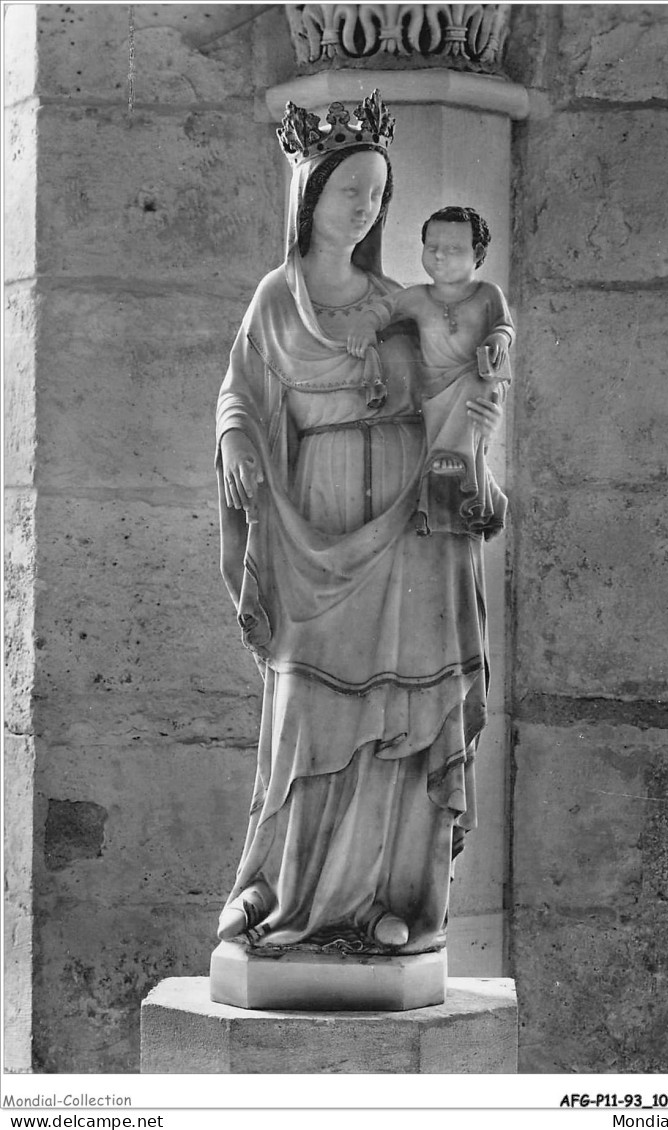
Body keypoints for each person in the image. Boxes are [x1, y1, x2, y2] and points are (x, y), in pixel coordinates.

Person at [215, 91, 507, 956]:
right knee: (308, 708)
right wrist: (235, 437)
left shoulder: (398, 302)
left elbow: (445, 398)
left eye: (378, 195)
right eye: (351, 192)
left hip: (407, 532)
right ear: (313, 196)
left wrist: (480, 409)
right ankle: (289, 891)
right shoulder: (279, 296)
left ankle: (390, 900)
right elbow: (243, 388)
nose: (367, 209)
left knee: (403, 711)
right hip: (314, 521)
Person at [346, 205, 515, 536]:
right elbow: (384, 309)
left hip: (475, 379)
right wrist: (367, 324)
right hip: (435, 392)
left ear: (477, 252)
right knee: (449, 440)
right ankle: (467, 493)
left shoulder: (487, 294)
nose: (440, 256)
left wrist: (498, 338)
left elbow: (504, 327)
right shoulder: (418, 297)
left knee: (476, 390)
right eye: (432, 247)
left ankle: (463, 480)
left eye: (453, 249)